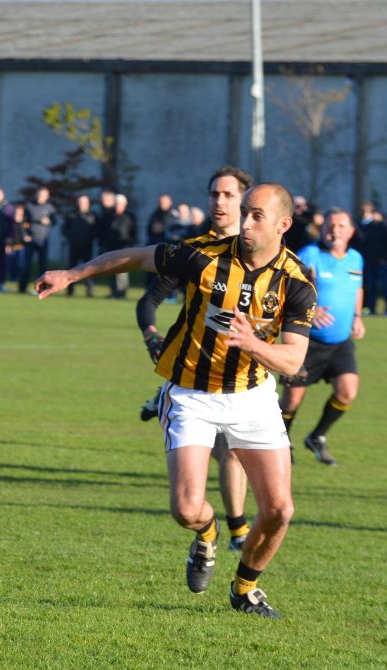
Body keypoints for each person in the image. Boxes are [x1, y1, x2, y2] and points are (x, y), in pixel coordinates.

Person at [35, 182, 316, 619]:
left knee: (280, 510)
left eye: (256, 215)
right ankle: (207, 534)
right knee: (187, 509)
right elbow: (135, 256)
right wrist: (72, 274)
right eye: (244, 211)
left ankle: (245, 589)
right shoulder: (203, 256)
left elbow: (293, 358)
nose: (244, 222)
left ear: (283, 224)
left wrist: (251, 343)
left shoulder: (296, 280)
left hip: (252, 396)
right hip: (191, 394)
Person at [137, 166, 255, 552]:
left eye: (228, 195)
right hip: (196, 374)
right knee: (209, 474)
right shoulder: (194, 252)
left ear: (246, 202)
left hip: (246, 374)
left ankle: (238, 530)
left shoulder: (267, 254)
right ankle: (225, 530)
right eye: (214, 194)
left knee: (234, 453)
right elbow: (149, 299)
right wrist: (151, 335)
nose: (219, 202)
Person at [280, 208, 366, 467]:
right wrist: (312, 309)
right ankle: (281, 442)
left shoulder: (355, 259)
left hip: (340, 344)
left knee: (347, 392)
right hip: (307, 342)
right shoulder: (310, 254)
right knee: (292, 400)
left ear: (351, 231)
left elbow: (357, 287)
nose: (334, 230)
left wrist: (357, 316)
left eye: (341, 225)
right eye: (330, 225)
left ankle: (317, 436)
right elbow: (290, 288)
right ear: (322, 228)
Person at [63, 194, 97, 297]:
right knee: (72, 268)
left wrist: (89, 238)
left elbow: (97, 230)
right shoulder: (72, 215)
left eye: (84, 202)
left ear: (88, 204)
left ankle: (90, 291)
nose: (82, 204)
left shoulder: (93, 216)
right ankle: (70, 290)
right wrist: (71, 238)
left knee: (89, 269)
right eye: (80, 202)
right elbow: (65, 229)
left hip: (87, 246)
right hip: (74, 245)